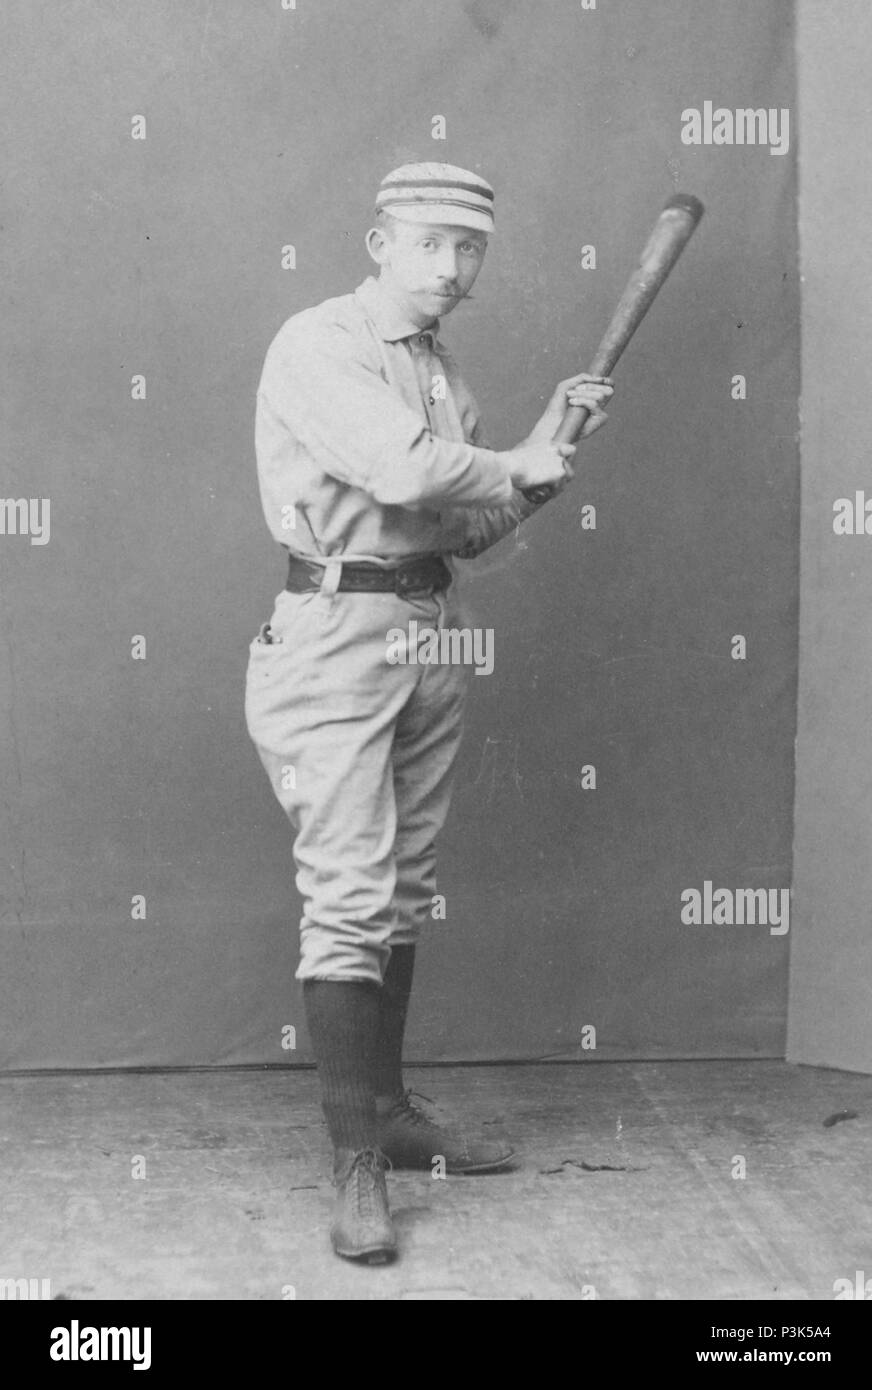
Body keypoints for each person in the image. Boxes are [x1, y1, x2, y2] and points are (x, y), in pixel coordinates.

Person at [246, 162, 614, 1262]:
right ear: (378, 242)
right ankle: (353, 1165)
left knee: (402, 887)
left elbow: (454, 530)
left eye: (471, 249)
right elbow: (401, 473)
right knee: (350, 892)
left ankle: (391, 1115)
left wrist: (535, 475)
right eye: (431, 244)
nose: (454, 268)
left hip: (424, 628)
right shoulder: (318, 343)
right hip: (330, 642)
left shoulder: (441, 376)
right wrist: (510, 458)